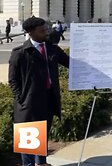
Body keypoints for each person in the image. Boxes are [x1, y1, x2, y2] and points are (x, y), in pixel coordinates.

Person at [8, 17, 69, 166]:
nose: (46, 32)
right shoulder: (20, 53)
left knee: (42, 134)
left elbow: (70, 63)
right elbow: (13, 80)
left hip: (48, 99)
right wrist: (21, 99)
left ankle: (41, 163)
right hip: (28, 102)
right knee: (28, 136)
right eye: (42, 30)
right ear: (31, 32)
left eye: (46, 29)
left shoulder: (52, 49)